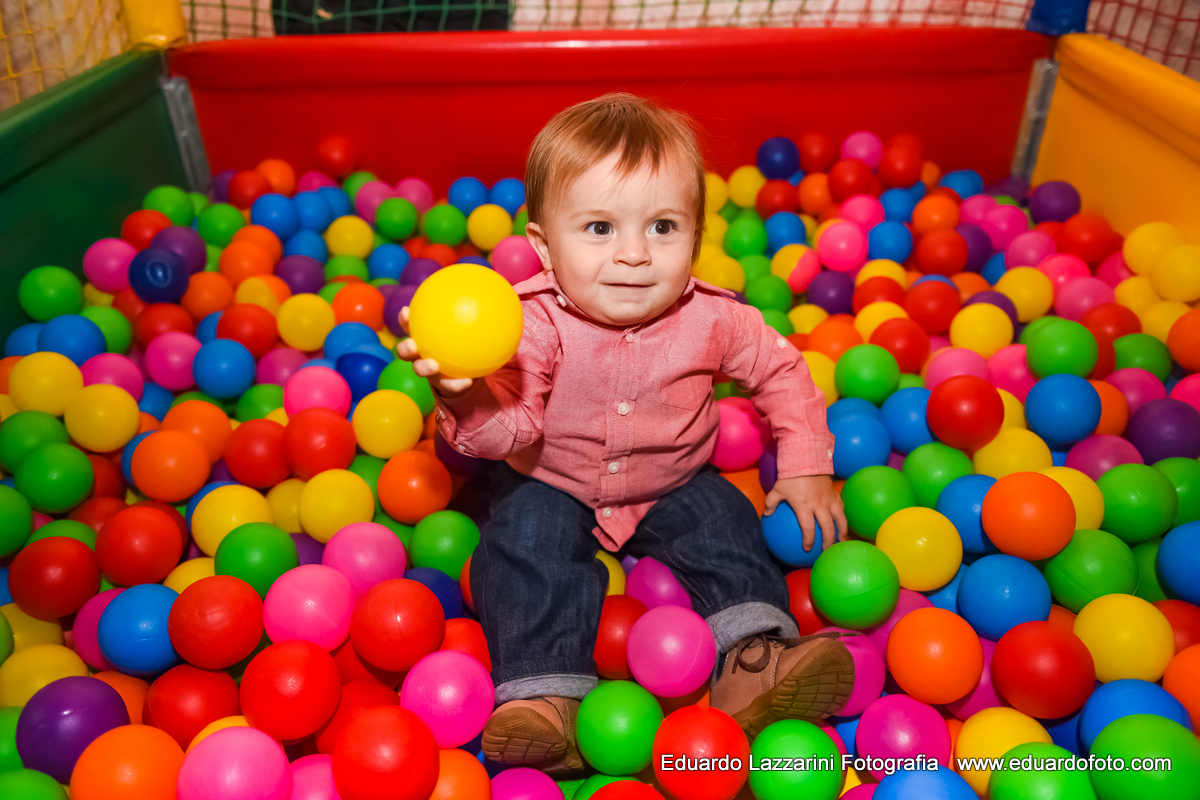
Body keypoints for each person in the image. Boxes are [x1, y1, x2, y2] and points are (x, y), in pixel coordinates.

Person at [398, 92, 853, 776]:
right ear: (544, 247)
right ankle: (548, 698)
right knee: (523, 545)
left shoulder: (715, 321)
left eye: (664, 227)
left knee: (726, 521)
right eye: (600, 229)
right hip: (552, 478)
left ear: (696, 237)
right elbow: (514, 429)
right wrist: (461, 395)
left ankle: (756, 658)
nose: (636, 255)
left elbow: (784, 373)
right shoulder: (532, 327)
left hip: (675, 478)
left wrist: (806, 464)